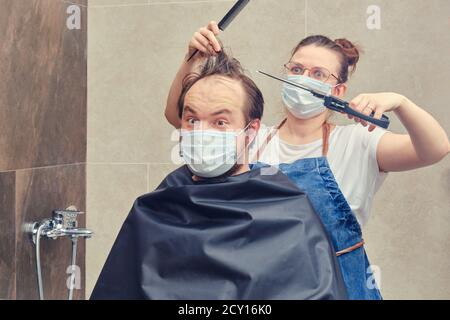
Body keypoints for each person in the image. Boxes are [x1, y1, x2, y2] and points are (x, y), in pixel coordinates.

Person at [164, 21, 450, 299]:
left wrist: (400, 102)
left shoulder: (359, 142)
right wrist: (192, 60)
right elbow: (179, 117)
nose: (303, 78)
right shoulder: (252, 138)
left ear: (338, 91)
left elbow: (436, 148)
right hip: (265, 285)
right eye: (297, 69)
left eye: (317, 73)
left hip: (340, 285)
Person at [90, 51, 348, 300]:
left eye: (220, 122)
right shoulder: (155, 209)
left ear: (251, 130)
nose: (202, 132)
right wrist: (190, 60)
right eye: (192, 120)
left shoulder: (289, 214)